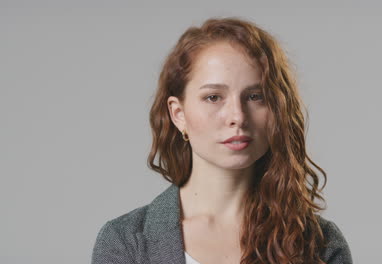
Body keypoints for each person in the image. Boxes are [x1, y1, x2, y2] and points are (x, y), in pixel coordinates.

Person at [91, 17, 353, 264]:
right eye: (213, 97)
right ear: (178, 114)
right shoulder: (125, 242)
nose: (237, 117)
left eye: (255, 96)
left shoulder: (321, 244)